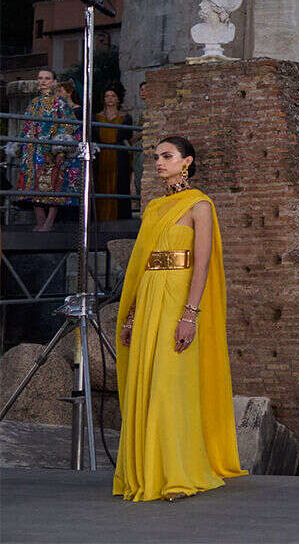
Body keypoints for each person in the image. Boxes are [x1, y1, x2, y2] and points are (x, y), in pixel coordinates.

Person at [113, 136, 244, 501]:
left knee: (170, 383)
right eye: (156, 156)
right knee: (147, 382)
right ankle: (146, 471)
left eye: (167, 156)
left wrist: (190, 314)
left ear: (187, 162)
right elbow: (142, 264)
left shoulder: (199, 205)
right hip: (150, 295)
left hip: (177, 298)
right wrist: (131, 316)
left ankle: (176, 474)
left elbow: (202, 264)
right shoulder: (155, 207)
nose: (159, 162)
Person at [21, 70, 75, 231]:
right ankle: (40, 220)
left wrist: (60, 150)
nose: (43, 81)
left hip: (51, 150)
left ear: (54, 82)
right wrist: (20, 145)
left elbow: (68, 126)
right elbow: (26, 126)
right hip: (31, 150)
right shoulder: (33, 103)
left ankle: (49, 222)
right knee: (32, 184)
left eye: (47, 78)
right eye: (40, 78)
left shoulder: (60, 102)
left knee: (53, 184)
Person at [94, 84, 136, 222]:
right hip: (101, 155)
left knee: (120, 184)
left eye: (113, 96)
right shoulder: (96, 117)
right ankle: (99, 217)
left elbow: (127, 137)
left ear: (118, 99)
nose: (110, 99)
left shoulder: (126, 117)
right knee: (100, 184)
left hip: (119, 155)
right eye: (107, 96)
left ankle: (120, 219)